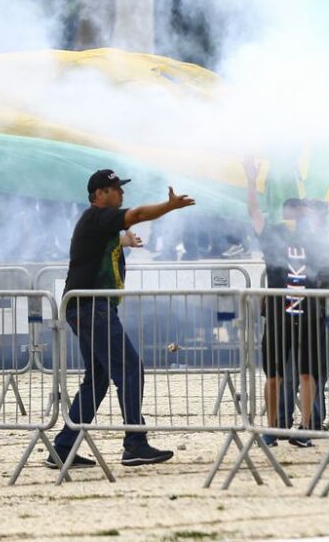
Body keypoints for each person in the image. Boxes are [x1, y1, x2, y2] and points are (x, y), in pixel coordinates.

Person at [48, 169, 195, 469]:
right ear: (99, 194)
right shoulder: (97, 218)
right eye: (115, 189)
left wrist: (123, 242)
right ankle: (135, 443)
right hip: (92, 307)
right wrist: (169, 206)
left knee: (98, 379)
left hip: (85, 308)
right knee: (129, 369)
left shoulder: (99, 225)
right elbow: (138, 213)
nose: (121, 193)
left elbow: (100, 247)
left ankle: (63, 448)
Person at [243, 160, 329, 448]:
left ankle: (304, 428)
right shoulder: (274, 234)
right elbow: (253, 212)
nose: (296, 217)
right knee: (275, 375)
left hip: (310, 314)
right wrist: (252, 182)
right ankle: (273, 429)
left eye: (300, 212)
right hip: (280, 314)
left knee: (307, 373)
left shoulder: (314, 239)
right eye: (293, 211)